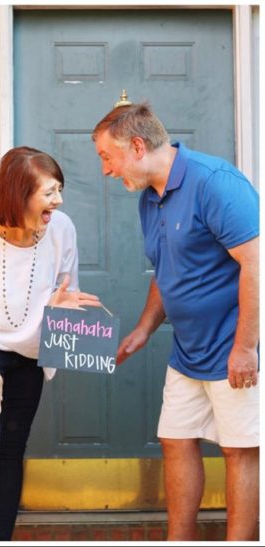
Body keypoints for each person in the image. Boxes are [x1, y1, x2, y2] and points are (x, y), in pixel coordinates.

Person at [92, 102, 259, 541]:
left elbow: (256, 265)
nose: (107, 170)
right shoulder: (150, 198)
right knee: (175, 440)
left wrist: (245, 348)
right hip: (187, 350)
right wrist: (144, 331)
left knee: (240, 450)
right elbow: (167, 271)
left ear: (137, 145)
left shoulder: (216, 183)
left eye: (108, 157)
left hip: (232, 345)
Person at [0, 146, 101, 540]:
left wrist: (61, 308)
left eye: (59, 190)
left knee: (12, 444)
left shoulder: (62, 228)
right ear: (20, 195)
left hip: (32, 349)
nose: (59, 200)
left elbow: (65, 292)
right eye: (49, 192)